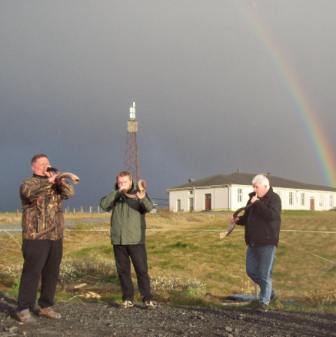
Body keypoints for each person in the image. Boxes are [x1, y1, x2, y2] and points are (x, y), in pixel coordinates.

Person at [16, 154, 75, 323]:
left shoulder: (55, 184)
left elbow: (70, 193)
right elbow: (28, 194)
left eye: (48, 163)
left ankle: (45, 306)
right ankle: (23, 308)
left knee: (51, 272)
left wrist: (60, 180)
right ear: (33, 167)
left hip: (55, 236)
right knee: (32, 272)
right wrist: (48, 183)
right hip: (35, 236)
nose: (46, 166)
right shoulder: (29, 183)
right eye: (42, 164)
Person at [100, 171, 156, 309]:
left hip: (136, 239)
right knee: (123, 272)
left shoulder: (138, 193)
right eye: (120, 182)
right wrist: (117, 192)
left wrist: (142, 198)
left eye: (125, 182)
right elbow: (103, 205)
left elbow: (149, 208)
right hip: (118, 240)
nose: (122, 184)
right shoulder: (115, 196)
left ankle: (147, 299)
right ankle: (128, 299)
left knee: (141, 270)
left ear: (131, 182)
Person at [232, 174, 281, 312]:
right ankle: (270, 293)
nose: (254, 189)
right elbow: (247, 218)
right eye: (253, 186)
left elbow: (272, 216)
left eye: (256, 186)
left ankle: (264, 303)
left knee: (264, 273)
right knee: (251, 271)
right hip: (252, 242)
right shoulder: (252, 199)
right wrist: (238, 220)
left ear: (266, 186)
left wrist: (257, 203)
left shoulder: (274, 199)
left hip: (267, 242)